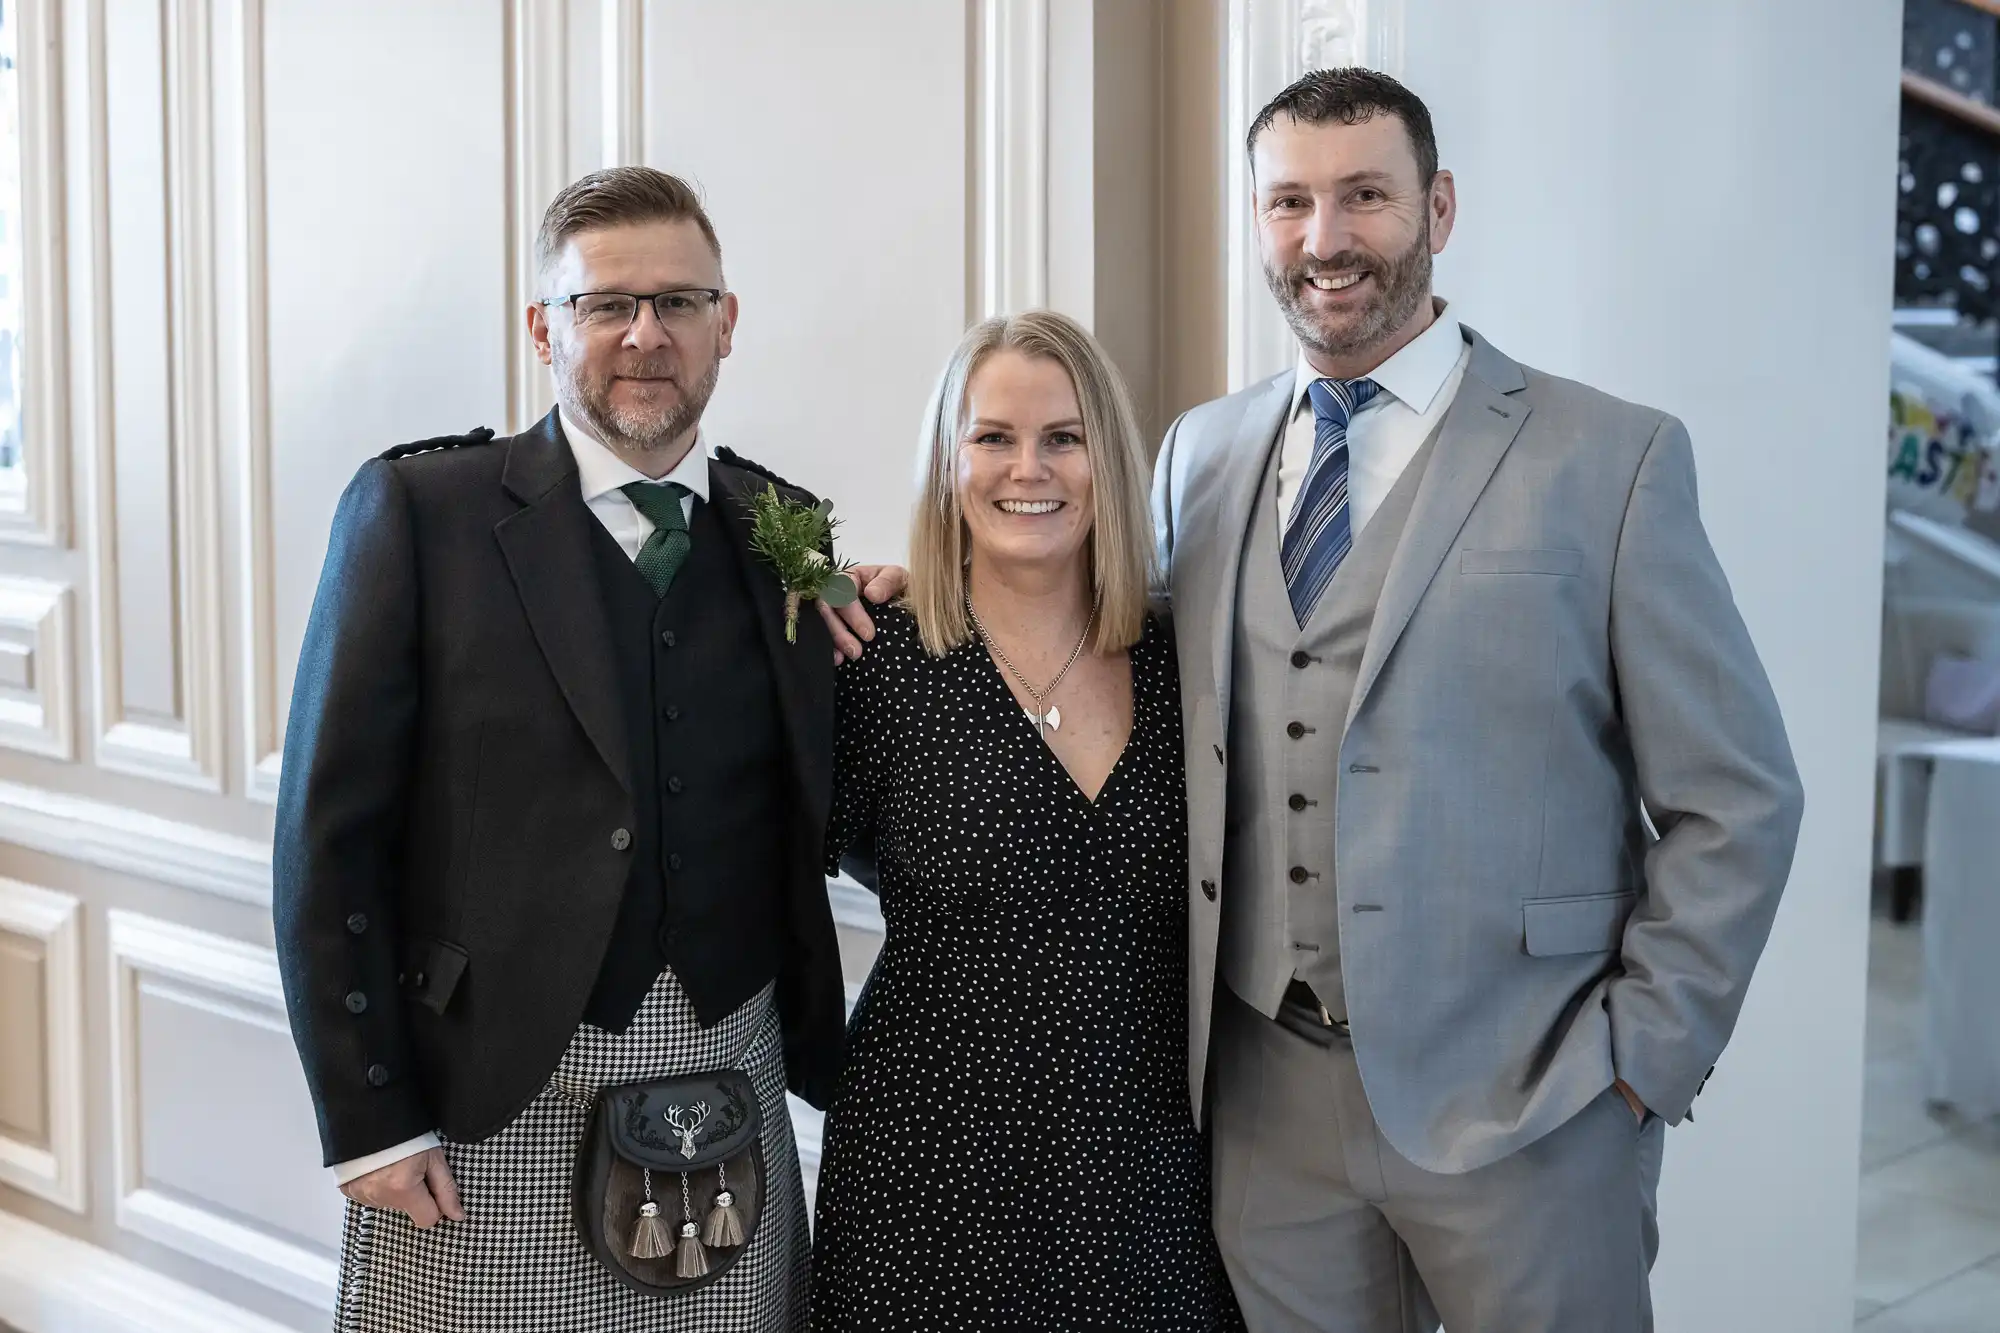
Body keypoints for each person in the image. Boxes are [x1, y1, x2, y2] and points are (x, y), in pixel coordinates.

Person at [1144, 69, 1806, 1331]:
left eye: (1364, 197)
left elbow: (1738, 798)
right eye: (1287, 203)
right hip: (1263, 1099)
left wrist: (1637, 1063)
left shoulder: (1609, 457)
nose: (1324, 241)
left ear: (1436, 208)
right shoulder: (1200, 453)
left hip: (1535, 1101)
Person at [274, 166, 881, 1332]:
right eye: (606, 304)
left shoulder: (781, 535)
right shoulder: (423, 514)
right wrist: (370, 1120)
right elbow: (326, 837)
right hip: (485, 1101)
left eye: (678, 302)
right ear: (544, 327)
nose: (644, 335)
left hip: (728, 1065)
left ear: (726, 324)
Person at [811, 311, 1242, 1331]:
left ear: (1106, 456)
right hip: (923, 1178)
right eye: (992, 437)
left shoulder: (1188, 662)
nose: (1027, 469)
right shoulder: (869, 658)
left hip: (1150, 1183)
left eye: (1062, 437)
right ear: (947, 458)